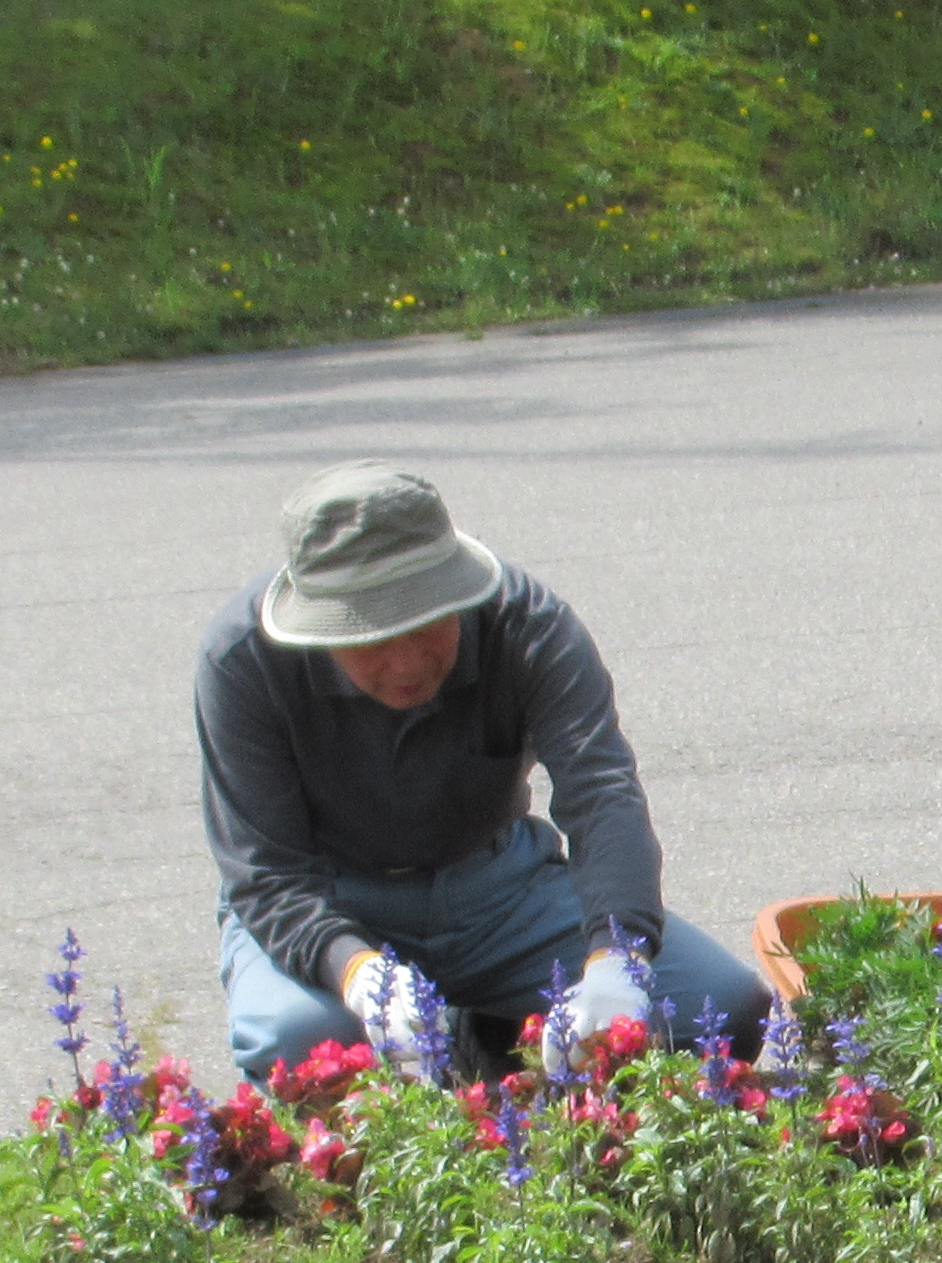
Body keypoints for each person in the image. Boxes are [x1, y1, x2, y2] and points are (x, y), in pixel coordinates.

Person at [198, 462, 769, 1082]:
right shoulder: (242, 662)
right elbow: (267, 874)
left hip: (499, 887)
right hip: (330, 896)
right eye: (370, 639)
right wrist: (355, 971)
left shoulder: (527, 626)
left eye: (425, 625)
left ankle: (493, 1034)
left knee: (720, 1009)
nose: (406, 662)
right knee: (304, 1044)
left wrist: (617, 958)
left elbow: (601, 794)